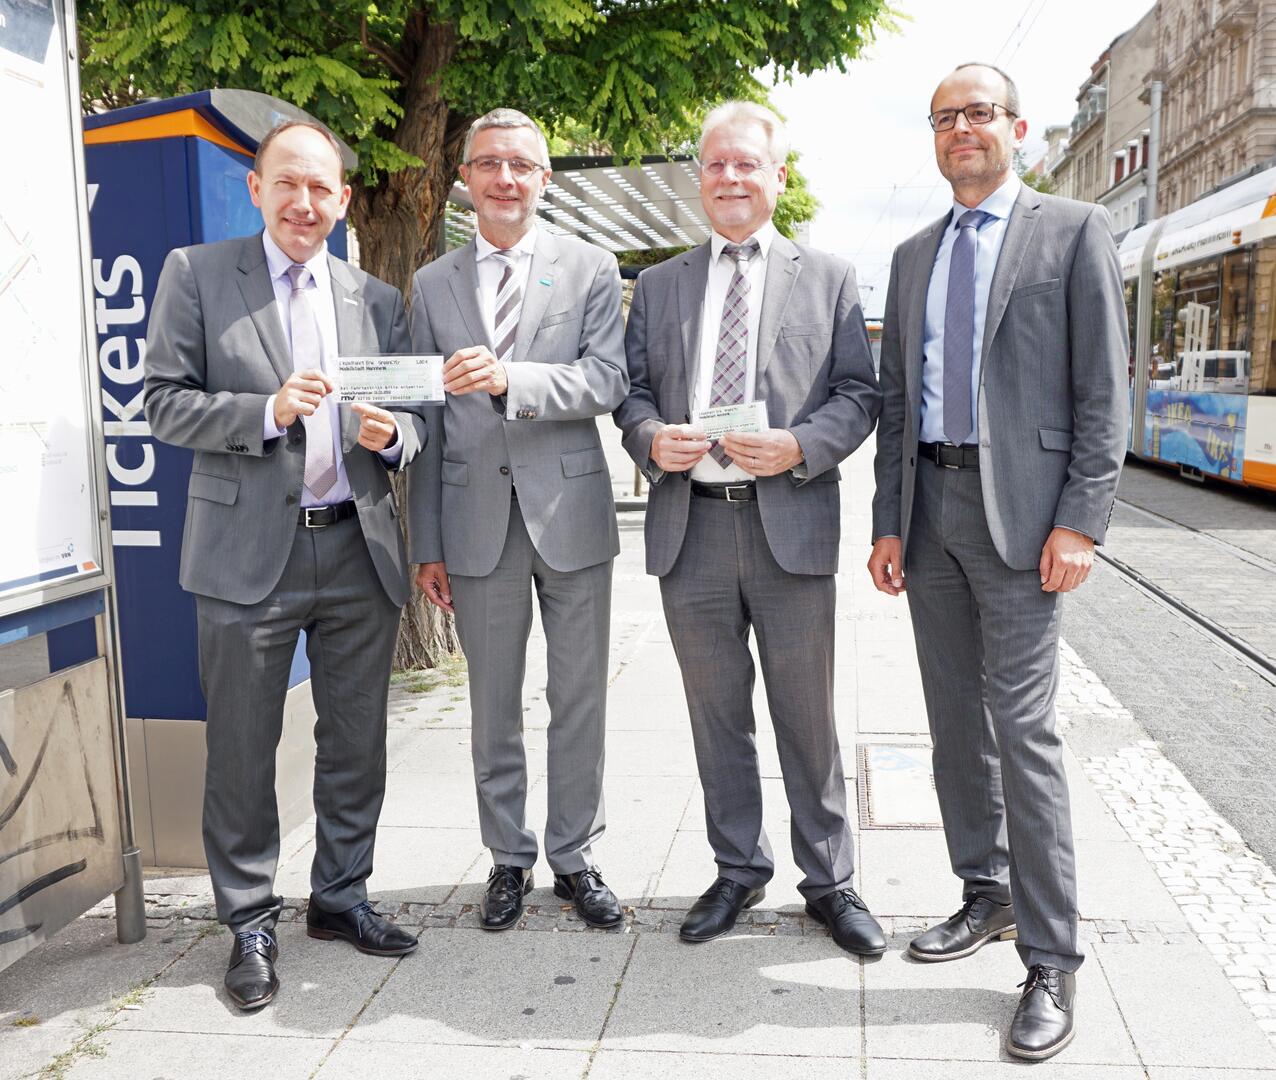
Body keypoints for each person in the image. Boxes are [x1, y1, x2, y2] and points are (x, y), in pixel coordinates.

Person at [867, 63, 1128, 1059]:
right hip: (930, 509)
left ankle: (1051, 959)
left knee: (1023, 731)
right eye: (944, 117)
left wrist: (1081, 521)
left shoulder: (1072, 231)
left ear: (1016, 127)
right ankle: (985, 890)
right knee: (952, 725)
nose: (961, 129)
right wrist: (889, 522)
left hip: (1023, 518)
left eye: (978, 113)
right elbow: (898, 401)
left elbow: (1103, 389)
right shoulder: (911, 256)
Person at [144, 120, 425, 1011]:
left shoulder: (375, 297)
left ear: (343, 199)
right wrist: (265, 411)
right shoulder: (196, 274)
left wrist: (395, 433)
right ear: (257, 188)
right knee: (240, 748)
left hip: (357, 544)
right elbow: (162, 403)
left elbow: (416, 418)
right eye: (288, 184)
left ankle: (340, 896)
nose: (305, 203)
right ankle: (248, 921)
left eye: (322, 188)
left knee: (356, 741)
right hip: (244, 556)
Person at [615, 101, 884, 955]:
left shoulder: (829, 277)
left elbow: (861, 393)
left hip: (789, 525)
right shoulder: (660, 284)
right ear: (700, 177)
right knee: (716, 715)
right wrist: (649, 438)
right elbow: (631, 393)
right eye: (715, 164)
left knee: (808, 717)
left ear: (777, 175)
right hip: (690, 528)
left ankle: (830, 881)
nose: (729, 177)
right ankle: (738, 868)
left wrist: (801, 445)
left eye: (746, 163)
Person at [406, 109, 628, 931]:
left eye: (521, 165)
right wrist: (426, 540)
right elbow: (424, 418)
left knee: (579, 699)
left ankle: (575, 856)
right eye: (489, 163)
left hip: (570, 516)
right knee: (492, 705)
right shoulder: (432, 284)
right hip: (473, 525)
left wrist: (512, 381)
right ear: (465, 177)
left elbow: (608, 379)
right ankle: (508, 857)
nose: (505, 178)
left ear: (544, 178)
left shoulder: (590, 267)